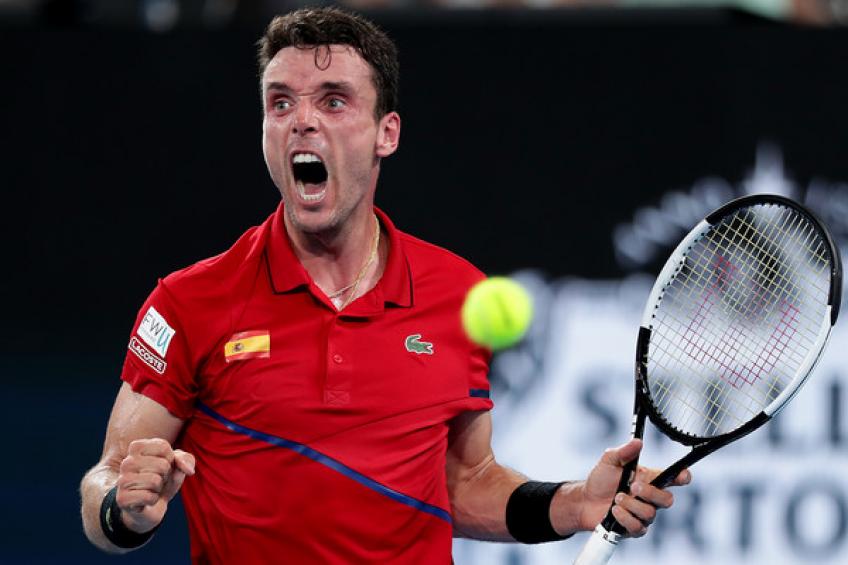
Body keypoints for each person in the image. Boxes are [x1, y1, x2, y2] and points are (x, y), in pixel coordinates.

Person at [79, 7, 690, 563]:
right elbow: (105, 481)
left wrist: (575, 503)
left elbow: (464, 483)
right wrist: (123, 508)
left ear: (386, 133)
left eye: (333, 101)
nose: (302, 122)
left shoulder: (457, 293)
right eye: (281, 103)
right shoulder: (188, 303)